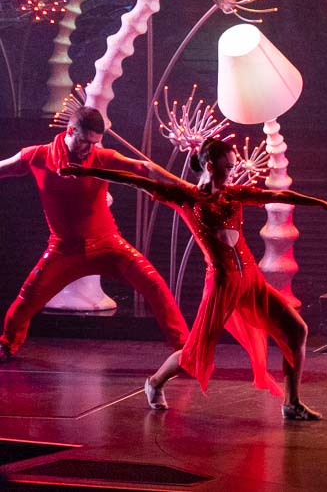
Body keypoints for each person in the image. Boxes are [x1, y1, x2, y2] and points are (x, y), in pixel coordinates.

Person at [61, 138, 327, 420]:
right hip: (222, 283)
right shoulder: (185, 197)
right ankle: (155, 382)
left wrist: (320, 202)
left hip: (250, 280)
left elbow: (278, 196)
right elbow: (134, 179)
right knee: (194, 353)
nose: (232, 171)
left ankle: (292, 403)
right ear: (210, 166)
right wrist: (87, 171)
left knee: (296, 330)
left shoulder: (234, 193)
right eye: (228, 167)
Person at [0, 106, 188, 361]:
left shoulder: (102, 157)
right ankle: (7, 346)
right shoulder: (38, 156)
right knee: (26, 301)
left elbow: (144, 168)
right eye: (86, 142)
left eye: (96, 143)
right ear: (70, 131)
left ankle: (185, 349)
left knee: (154, 284)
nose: (90, 148)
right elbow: (4, 167)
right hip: (64, 250)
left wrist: (187, 187)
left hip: (108, 245)